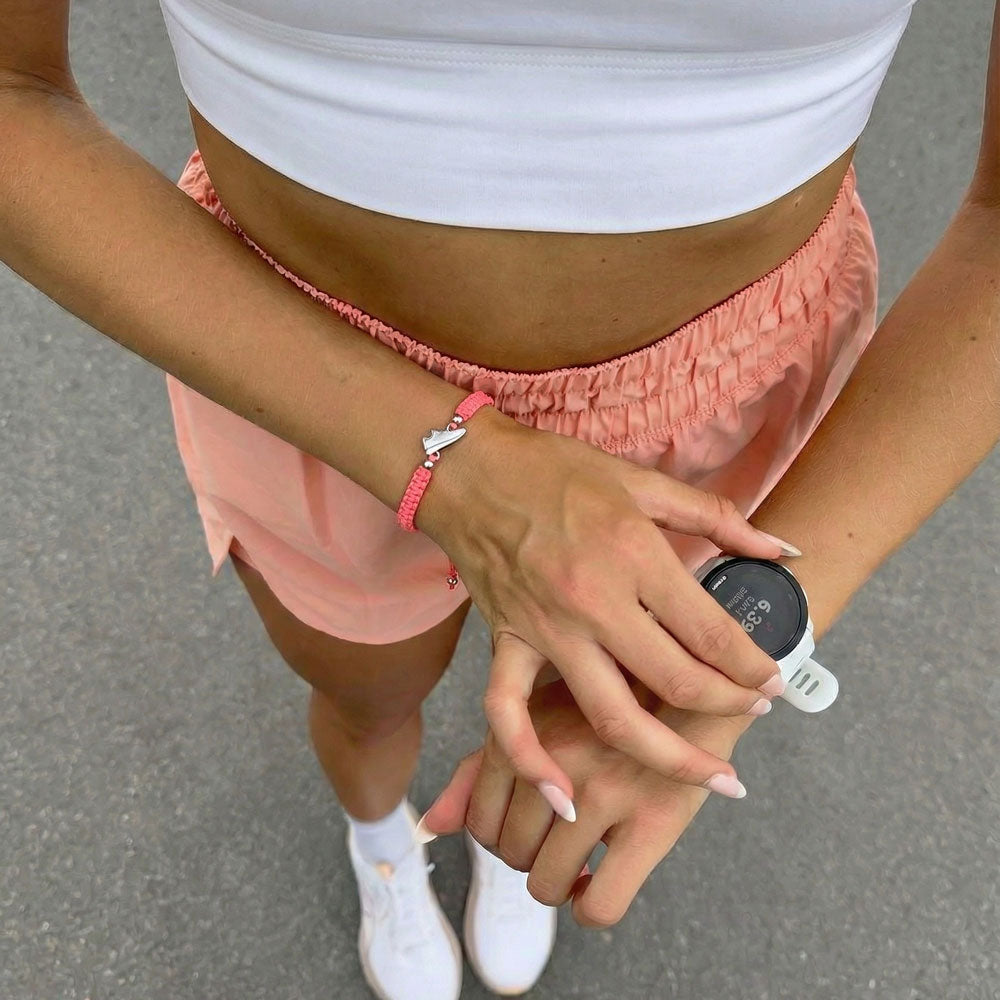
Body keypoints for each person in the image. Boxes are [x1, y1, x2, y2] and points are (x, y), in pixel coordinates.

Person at [2, 0, 998, 997]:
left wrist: (762, 630)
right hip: (308, 377)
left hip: (719, 399)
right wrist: (448, 463)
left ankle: (521, 822)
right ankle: (386, 842)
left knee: (592, 718)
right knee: (365, 694)